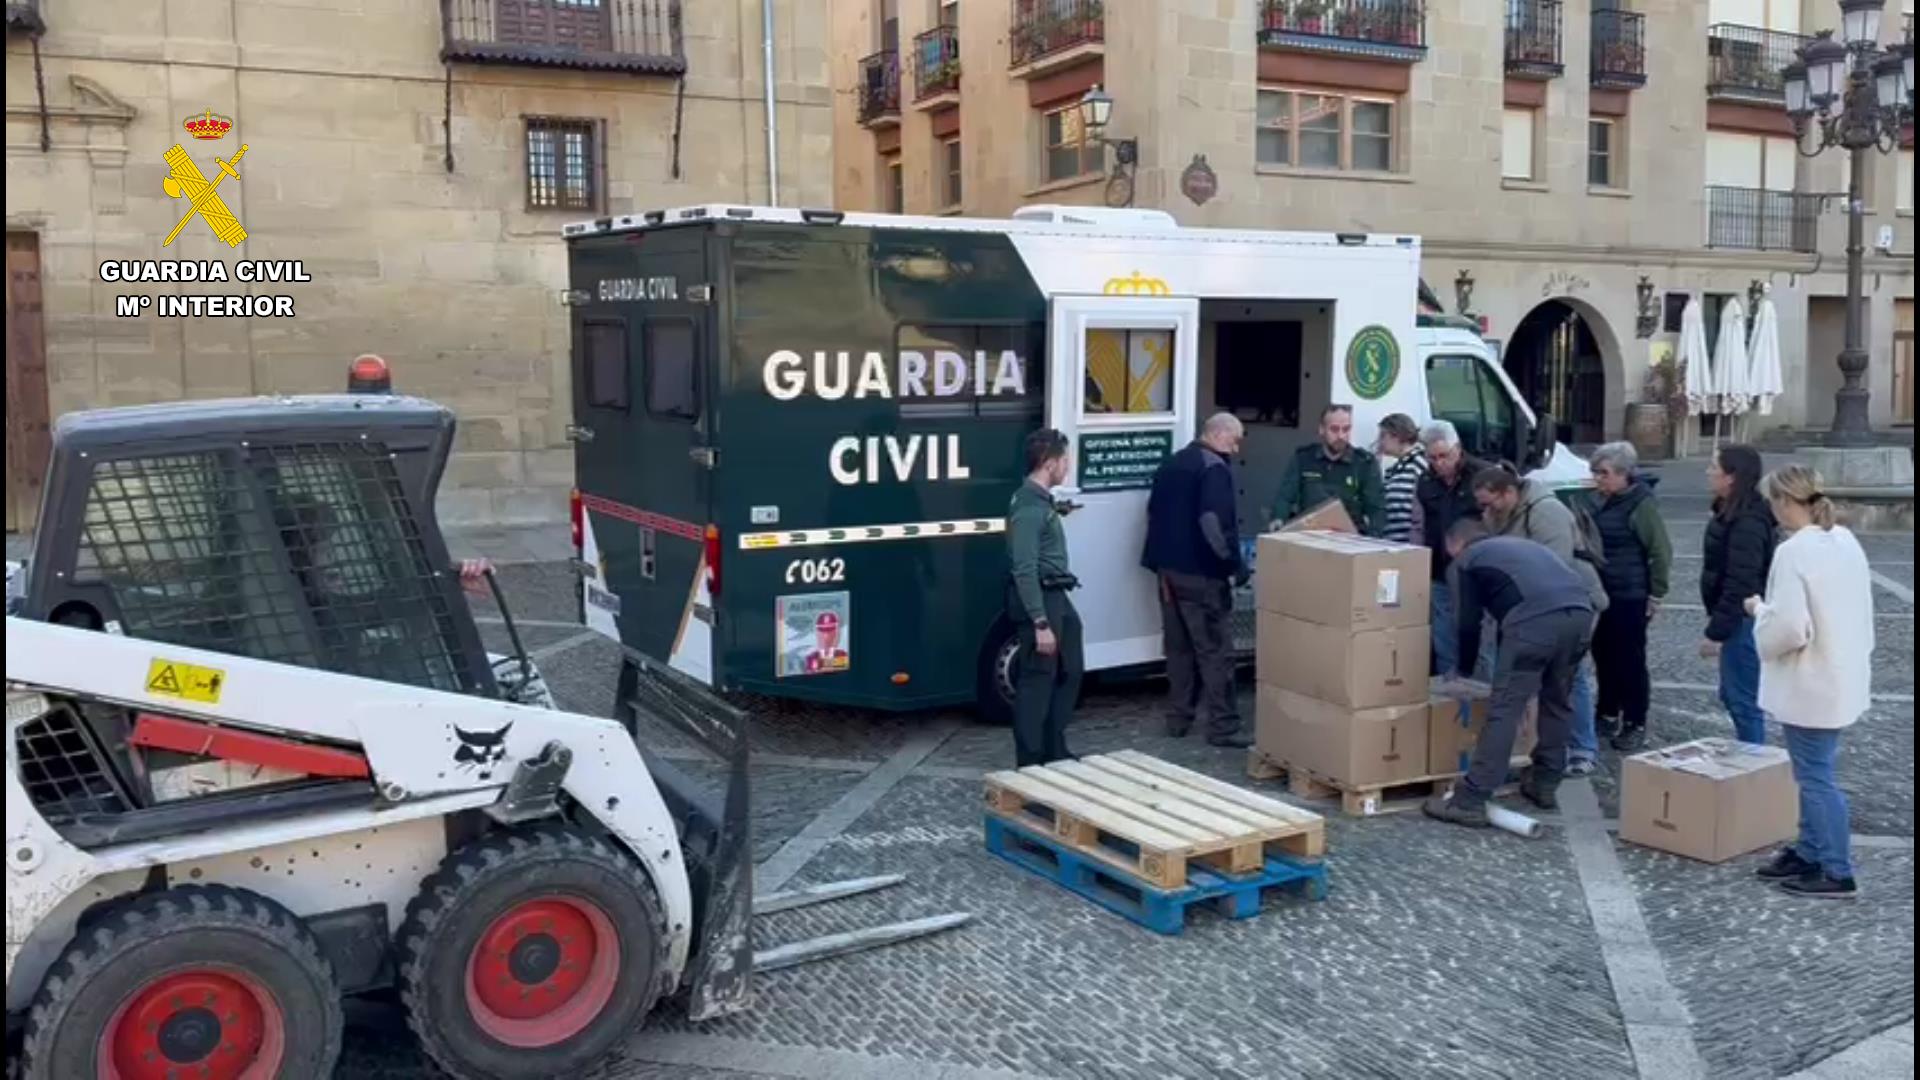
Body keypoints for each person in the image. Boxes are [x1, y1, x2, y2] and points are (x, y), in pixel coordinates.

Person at [1747, 465, 1874, 899]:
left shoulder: (1794, 552)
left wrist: (1759, 613)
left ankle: (1836, 869)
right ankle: (1809, 850)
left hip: (1811, 677)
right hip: (1838, 670)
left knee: (1816, 775)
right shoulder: (1844, 540)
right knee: (1813, 770)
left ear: (1784, 501)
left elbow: (1789, 628)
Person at [1423, 521, 1594, 826]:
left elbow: (1467, 622)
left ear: (1454, 545)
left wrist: (1463, 669)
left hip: (1535, 624)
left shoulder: (1466, 561)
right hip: (1580, 616)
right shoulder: (1519, 548)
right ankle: (1545, 782)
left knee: (1505, 708)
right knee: (1557, 700)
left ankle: (1472, 798)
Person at [1473, 466, 1607, 775]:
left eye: (1490, 503)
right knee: (1538, 676)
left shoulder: (1547, 512)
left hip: (1572, 602)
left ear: (1509, 492)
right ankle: (1538, 747)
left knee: (1570, 675)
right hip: (1529, 607)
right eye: (1481, 505)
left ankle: (1582, 747)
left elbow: (1554, 568)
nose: (1485, 511)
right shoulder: (1500, 515)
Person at [1143, 412, 1253, 748]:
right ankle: (1223, 726)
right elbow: (1211, 524)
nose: (1235, 449)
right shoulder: (1213, 468)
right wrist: (1233, 563)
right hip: (1202, 575)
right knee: (1215, 651)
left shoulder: (1172, 463)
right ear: (1218, 435)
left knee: (1178, 650)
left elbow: (1152, 512)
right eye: (1234, 440)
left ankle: (1178, 719)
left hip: (1167, 572)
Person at [1586, 442, 1672, 752]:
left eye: (1604, 473)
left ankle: (1635, 720)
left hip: (1630, 594)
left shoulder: (1641, 505)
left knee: (1630, 660)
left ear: (1624, 474)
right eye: (1596, 473)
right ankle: (1607, 711)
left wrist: (1656, 593)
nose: (1599, 479)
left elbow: (1660, 551)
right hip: (1603, 592)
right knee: (1603, 655)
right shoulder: (1600, 500)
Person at [1005, 428, 1082, 767]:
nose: (1067, 467)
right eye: (1064, 460)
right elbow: (1024, 567)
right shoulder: (1028, 507)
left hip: (1057, 594)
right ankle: (1030, 760)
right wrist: (1040, 622)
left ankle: (1054, 747)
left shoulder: (1039, 502)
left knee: (1070, 669)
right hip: (1042, 597)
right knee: (1037, 679)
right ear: (1049, 463)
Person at [1699, 444, 1777, 746]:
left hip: (1743, 621)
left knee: (1743, 700)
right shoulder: (1730, 511)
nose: (1708, 472)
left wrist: (1716, 633)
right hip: (1736, 618)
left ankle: (1753, 761)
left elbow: (1741, 582)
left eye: (1713, 467)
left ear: (1731, 476)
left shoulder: (1747, 522)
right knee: (1734, 695)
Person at [1412, 420, 1493, 679]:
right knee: (1444, 635)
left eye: (1444, 455)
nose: (1439, 463)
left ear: (1457, 448)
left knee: (1481, 637)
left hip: (1477, 571)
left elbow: (1499, 520)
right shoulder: (1425, 481)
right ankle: (1450, 690)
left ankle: (1483, 691)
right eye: (1432, 458)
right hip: (1439, 569)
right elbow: (1418, 525)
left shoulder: (1483, 475)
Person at [1270, 404, 1386, 535]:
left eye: (1346, 429)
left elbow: (1377, 509)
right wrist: (1278, 518)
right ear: (1321, 429)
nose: (1341, 436)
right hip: (1309, 535)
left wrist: (1371, 538)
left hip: (1349, 538)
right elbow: (1285, 496)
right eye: (1334, 429)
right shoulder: (1304, 458)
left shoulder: (1364, 463)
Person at [1376, 413, 1428, 544]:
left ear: (1397, 436)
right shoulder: (1394, 469)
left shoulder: (1419, 464)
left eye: (1383, 436)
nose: (1380, 442)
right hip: (1392, 542)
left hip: (1408, 542)